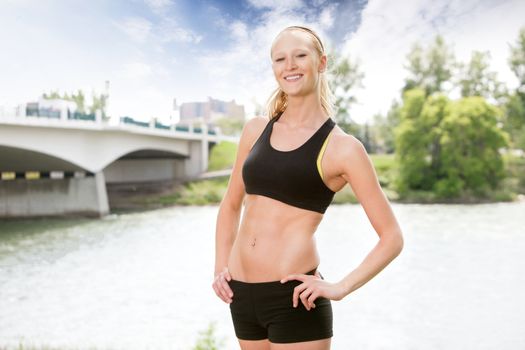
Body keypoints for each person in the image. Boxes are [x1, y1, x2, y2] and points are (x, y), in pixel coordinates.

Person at [212, 25, 404, 350]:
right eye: (280, 59)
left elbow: (392, 237)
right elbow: (231, 205)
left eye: (300, 55)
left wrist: (341, 287)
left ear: (321, 62)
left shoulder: (343, 148)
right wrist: (220, 266)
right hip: (241, 294)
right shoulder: (255, 130)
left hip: (295, 298)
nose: (290, 65)